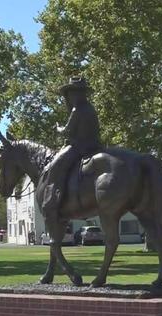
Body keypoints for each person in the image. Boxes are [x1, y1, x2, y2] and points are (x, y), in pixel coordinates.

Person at [41, 77, 102, 221]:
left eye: (72, 93)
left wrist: (58, 128)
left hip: (79, 147)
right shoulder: (90, 108)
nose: (70, 96)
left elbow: (67, 131)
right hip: (95, 145)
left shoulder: (77, 109)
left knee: (55, 166)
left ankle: (51, 200)